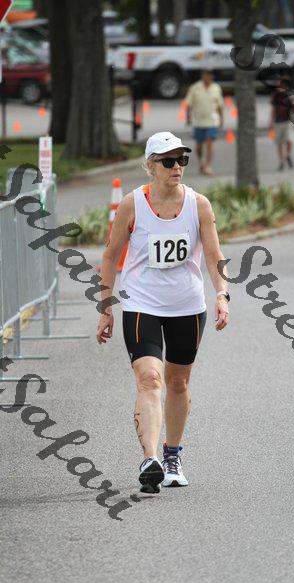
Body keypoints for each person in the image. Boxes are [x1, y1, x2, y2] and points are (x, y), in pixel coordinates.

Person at [96, 131, 230, 494]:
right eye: (168, 161)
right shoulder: (132, 204)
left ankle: (173, 455)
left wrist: (222, 294)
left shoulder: (199, 205)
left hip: (187, 306)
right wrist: (106, 308)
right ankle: (150, 459)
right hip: (141, 303)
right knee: (150, 379)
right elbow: (110, 256)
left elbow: (215, 255)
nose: (177, 167)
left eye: (182, 160)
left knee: (178, 382)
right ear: (150, 166)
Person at [185, 69, 224, 176]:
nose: (208, 77)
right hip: (198, 121)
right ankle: (201, 162)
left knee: (209, 143)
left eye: (210, 75)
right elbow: (189, 104)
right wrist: (188, 118)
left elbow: (220, 105)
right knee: (199, 146)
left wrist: (221, 119)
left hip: (212, 121)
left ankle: (208, 165)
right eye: (206, 75)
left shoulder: (216, 88)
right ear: (203, 76)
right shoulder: (195, 88)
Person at [268, 74, 294, 171]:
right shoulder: (275, 95)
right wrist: (271, 122)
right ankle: (281, 161)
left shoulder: (290, 94)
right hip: (277, 122)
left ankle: (288, 155)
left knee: (289, 140)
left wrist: (292, 101)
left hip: (287, 121)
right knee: (279, 142)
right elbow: (273, 109)